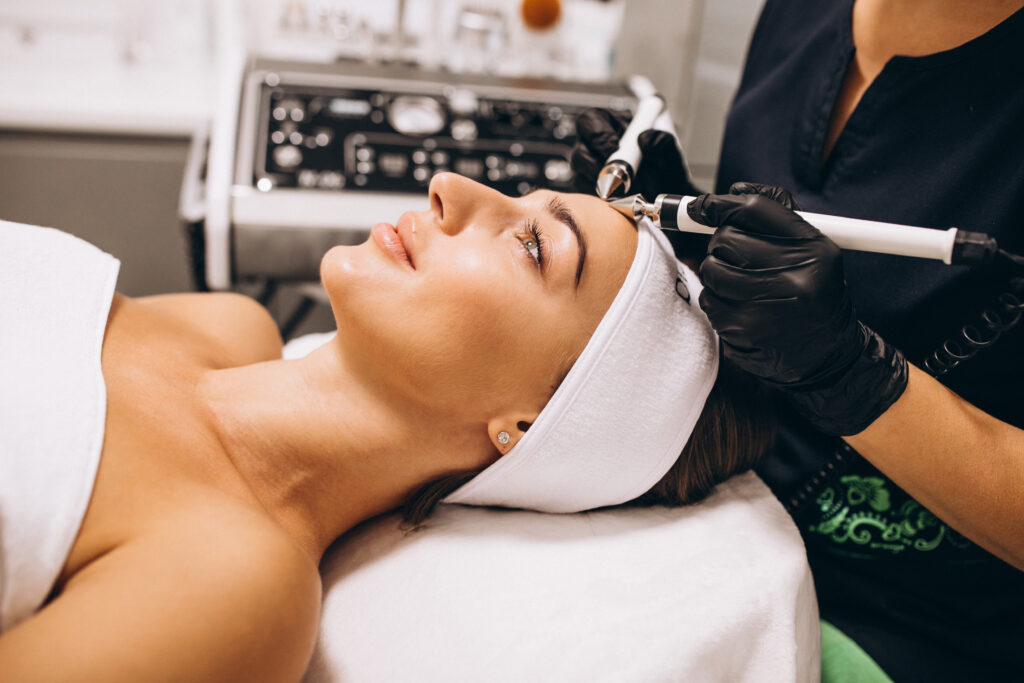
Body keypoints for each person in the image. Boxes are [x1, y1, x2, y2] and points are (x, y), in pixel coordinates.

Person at [0, 173, 771, 681]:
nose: (450, 188)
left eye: (532, 244)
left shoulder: (239, 585)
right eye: (519, 198)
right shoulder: (223, 326)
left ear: (528, 425)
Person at [572, 1, 1024, 681]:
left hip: (920, 622)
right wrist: (695, 241)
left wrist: (856, 378)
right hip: (728, 519)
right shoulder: (799, 14)